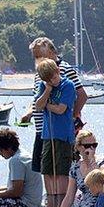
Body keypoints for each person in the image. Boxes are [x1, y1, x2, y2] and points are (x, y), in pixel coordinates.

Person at [19, 37, 87, 174]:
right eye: (35, 57)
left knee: (61, 168)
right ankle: (50, 195)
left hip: (59, 130)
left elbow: (82, 95)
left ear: (51, 52)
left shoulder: (64, 69)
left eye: (39, 55)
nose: (37, 59)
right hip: (42, 129)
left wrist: (73, 116)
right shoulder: (40, 73)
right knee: (44, 168)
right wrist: (29, 113)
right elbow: (36, 98)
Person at [34, 58, 77, 207]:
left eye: (53, 77)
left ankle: (61, 206)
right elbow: (38, 106)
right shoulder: (44, 86)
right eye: (48, 80)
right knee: (47, 170)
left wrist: (46, 104)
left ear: (57, 71)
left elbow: (60, 109)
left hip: (63, 135)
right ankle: (50, 205)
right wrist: (47, 91)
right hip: (47, 135)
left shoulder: (68, 85)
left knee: (60, 171)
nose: (53, 81)